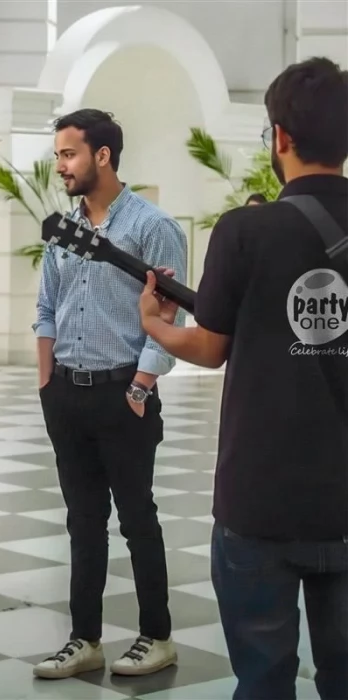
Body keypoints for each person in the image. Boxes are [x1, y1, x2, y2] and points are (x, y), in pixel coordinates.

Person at [138, 56, 348, 700]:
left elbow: (209, 347)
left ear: (279, 136)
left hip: (260, 496)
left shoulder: (244, 231)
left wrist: (154, 325)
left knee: (262, 680)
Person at [32, 109, 188, 680]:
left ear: (102, 156)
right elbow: (46, 308)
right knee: (82, 520)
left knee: (137, 518)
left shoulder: (153, 226)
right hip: (67, 394)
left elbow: (170, 317)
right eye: (57, 155)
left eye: (68, 154)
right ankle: (85, 639)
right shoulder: (64, 228)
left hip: (125, 393)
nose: (60, 165)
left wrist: (141, 385)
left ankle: (157, 636)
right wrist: (47, 383)